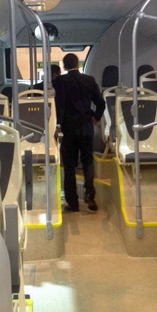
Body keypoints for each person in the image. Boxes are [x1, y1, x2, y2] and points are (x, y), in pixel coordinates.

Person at [55, 53, 105, 212]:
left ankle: (73, 202)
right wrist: (95, 118)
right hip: (86, 127)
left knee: (70, 165)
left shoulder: (60, 81)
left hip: (69, 129)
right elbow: (101, 103)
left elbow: (59, 105)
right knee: (88, 162)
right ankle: (90, 195)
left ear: (64, 66)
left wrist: (58, 125)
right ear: (78, 64)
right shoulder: (89, 80)